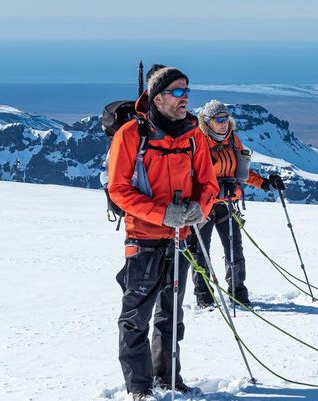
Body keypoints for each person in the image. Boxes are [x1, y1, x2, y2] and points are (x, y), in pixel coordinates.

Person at [107, 65, 219, 401]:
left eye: (187, 91)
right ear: (158, 97)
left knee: (172, 313)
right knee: (135, 317)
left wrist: (200, 208)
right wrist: (163, 214)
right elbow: (119, 189)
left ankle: (169, 378)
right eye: (178, 91)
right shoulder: (131, 134)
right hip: (143, 238)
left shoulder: (194, 135)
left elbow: (208, 183)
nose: (186, 98)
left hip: (180, 236)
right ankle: (139, 388)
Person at [188, 99, 285, 309]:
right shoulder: (199, 142)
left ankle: (238, 294)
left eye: (226, 118)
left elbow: (242, 172)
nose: (224, 123)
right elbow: (191, 175)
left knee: (235, 251)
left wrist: (265, 184)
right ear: (207, 122)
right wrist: (215, 188)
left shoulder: (233, 140)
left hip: (228, 204)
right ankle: (204, 297)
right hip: (203, 207)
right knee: (201, 252)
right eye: (219, 119)